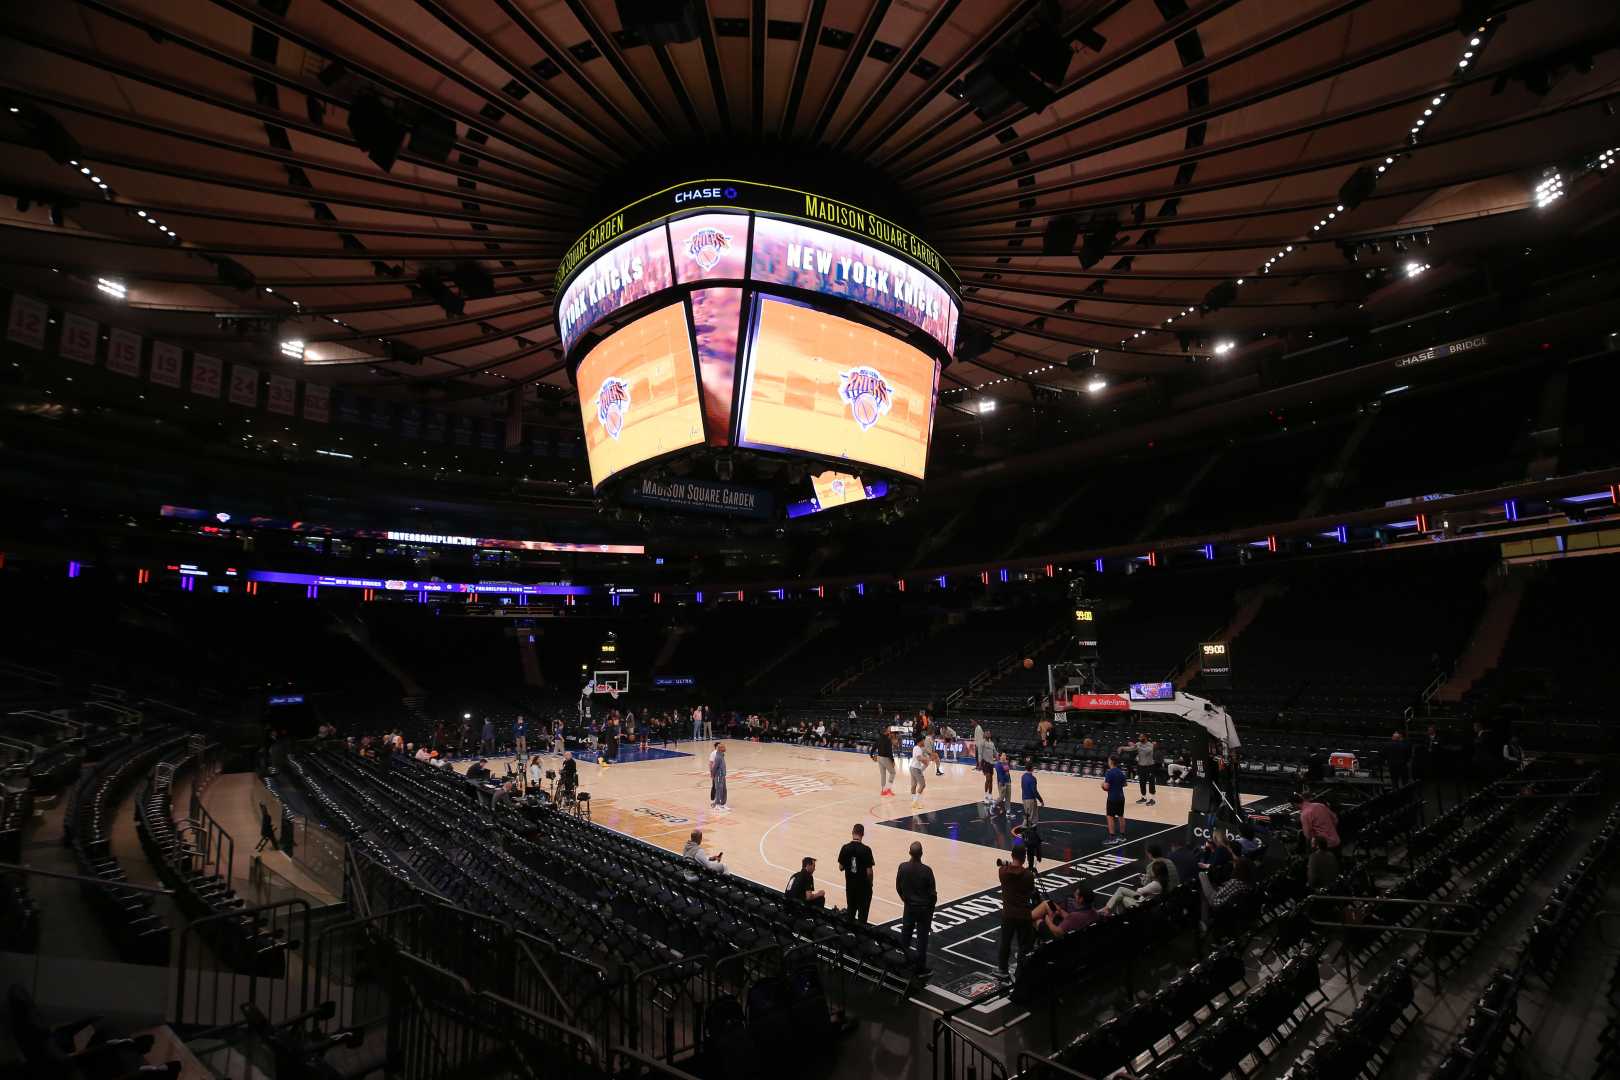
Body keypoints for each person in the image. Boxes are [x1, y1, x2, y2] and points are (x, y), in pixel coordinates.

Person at [996, 846, 1037, 980]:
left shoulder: (1002, 872)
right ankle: (1021, 970)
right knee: (1023, 945)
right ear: (1024, 858)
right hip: (1023, 915)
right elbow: (1031, 890)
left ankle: (1002, 969)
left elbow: (1010, 870)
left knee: (1005, 942)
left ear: (1012, 855)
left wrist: (1008, 865)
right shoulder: (1029, 875)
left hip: (1008, 914)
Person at [896, 841, 937, 974]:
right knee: (922, 939)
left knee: (905, 935)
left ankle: (904, 962)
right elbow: (933, 894)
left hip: (909, 907)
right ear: (921, 854)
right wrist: (930, 909)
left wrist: (904, 898)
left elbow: (898, 886)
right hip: (924, 909)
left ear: (910, 853)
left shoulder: (903, 867)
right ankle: (920, 967)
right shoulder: (927, 870)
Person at [1199, 855, 1255, 929]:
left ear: (1239, 868)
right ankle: (1205, 921)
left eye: (1235, 865)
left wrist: (1220, 889)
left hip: (1218, 903)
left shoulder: (1234, 882)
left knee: (1202, 875)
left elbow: (1217, 895)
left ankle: (1205, 922)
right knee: (1205, 896)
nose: (1234, 866)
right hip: (1231, 903)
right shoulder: (1247, 882)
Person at [838, 824, 876, 923]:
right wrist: (871, 883)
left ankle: (849, 935)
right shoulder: (866, 850)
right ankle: (860, 937)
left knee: (850, 912)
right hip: (863, 888)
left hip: (850, 886)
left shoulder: (845, 848)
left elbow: (841, 867)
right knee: (862, 916)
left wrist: (849, 863)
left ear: (852, 833)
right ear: (862, 834)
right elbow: (869, 872)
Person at [1106, 860, 1170, 913]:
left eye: (1152, 870)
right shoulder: (1164, 881)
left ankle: (1107, 909)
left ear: (1155, 872)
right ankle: (1107, 909)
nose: (1151, 871)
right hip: (1150, 903)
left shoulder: (1155, 884)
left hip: (1144, 906)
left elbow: (1139, 891)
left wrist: (1145, 882)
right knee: (1121, 893)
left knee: (1121, 895)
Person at [1101, 756, 1128, 844]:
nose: (1108, 762)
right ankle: (1122, 836)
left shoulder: (1109, 773)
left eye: (1108, 760)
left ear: (1111, 761)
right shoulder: (1121, 772)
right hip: (1121, 797)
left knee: (1110, 816)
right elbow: (1125, 784)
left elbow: (1106, 787)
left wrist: (1102, 785)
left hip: (1112, 797)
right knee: (1121, 816)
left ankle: (1112, 838)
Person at [909, 733, 933, 809]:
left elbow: (918, 758)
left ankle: (914, 801)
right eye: (923, 741)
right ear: (920, 741)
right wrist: (927, 759)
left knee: (913, 785)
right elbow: (919, 758)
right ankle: (915, 802)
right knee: (922, 785)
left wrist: (924, 761)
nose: (924, 742)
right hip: (916, 769)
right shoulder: (918, 749)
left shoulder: (915, 748)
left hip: (912, 767)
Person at [871, 728, 897, 797]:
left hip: (879, 758)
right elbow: (889, 752)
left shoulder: (879, 738)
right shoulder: (888, 740)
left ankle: (883, 791)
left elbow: (873, 747)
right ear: (886, 732)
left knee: (883, 774)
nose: (889, 732)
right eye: (888, 731)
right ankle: (888, 789)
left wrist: (872, 755)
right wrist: (893, 761)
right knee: (893, 772)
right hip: (885, 758)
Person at [1134, 733, 1158, 806]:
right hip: (1141, 766)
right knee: (1142, 782)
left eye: (1141, 737)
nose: (1139, 738)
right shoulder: (1138, 744)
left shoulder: (1150, 744)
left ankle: (1152, 799)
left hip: (1149, 766)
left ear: (1145, 738)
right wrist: (1122, 747)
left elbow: (1146, 751)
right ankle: (1143, 797)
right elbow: (1132, 748)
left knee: (1151, 782)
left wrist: (1138, 746)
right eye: (1139, 737)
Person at [709, 742, 728, 811]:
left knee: (724, 789)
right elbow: (714, 767)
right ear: (720, 749)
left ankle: (723, 804)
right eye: (724, 747)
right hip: (718, 775)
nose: (725, 748)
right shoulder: (717, 757)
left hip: (722, 775)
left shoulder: (722, 755)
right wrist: (712, 774)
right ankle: (717, 805)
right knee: (718, 789)